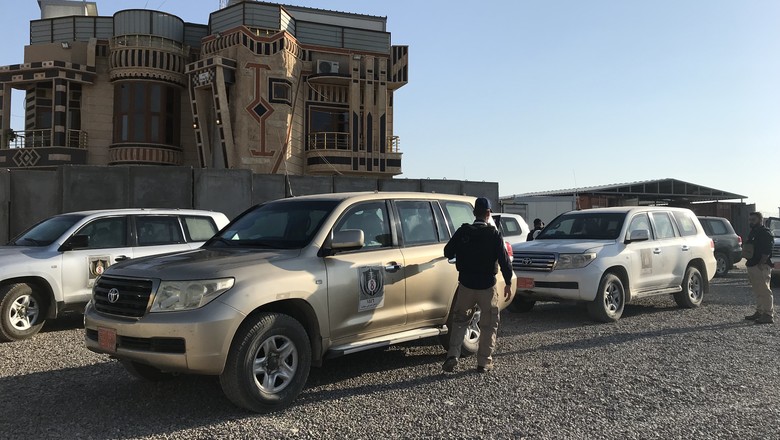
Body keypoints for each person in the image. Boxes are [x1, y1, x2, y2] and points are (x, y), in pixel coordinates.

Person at [442, 197, 513, 373]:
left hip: (465, 285)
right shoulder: (494, 234)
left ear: (474, 213)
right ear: (488, 213)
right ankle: (483, 362)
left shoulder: (463, 231)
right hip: (487, 287)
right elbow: (504, 261)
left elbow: (447, 251)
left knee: (459, 321)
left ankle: (453, 355)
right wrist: (508, 282)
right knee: (488, 324)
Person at [744, 212, 775, 324]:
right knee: (758, 290)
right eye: (750, 220)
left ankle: (768, 314)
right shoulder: (753, 232)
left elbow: (767, 250)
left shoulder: (765, 233)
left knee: (765, 290)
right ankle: (760, 311)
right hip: (752, 264)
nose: (751, 222)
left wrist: (761, 263)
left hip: (761, 265)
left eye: (753, 220)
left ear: (760, 220)